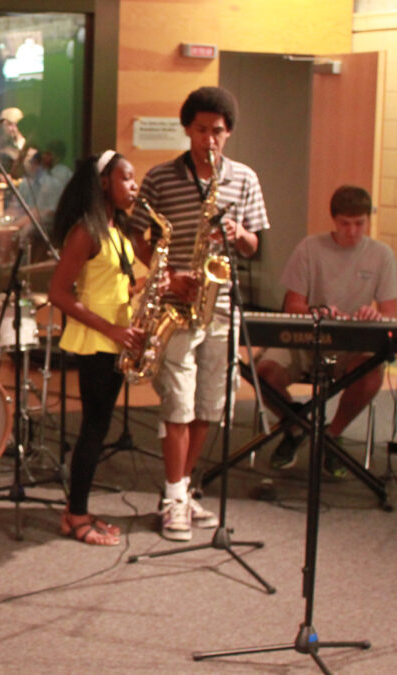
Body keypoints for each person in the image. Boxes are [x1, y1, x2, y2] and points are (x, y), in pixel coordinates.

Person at [128, 86, 269, 542]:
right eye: (203, 130)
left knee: (208, 407)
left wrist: (238, 232)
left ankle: (183, 491)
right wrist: (167, 276)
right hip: (176, 303)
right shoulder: (160, 177)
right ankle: (173, 498)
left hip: (222, 306)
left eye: (219, 132)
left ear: (229, 133)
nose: (210, 140)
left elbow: (254, 246)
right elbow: (137, 238)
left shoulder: (244, 178)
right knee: (178, 405)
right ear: (187, 128)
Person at [260, 186, 397, 476]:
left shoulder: (382, 255)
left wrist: (374, 315)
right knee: (264, 372)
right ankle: (296, 427)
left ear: (368, 220)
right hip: (306, 338)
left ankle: (332, 435)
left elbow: (391, 313)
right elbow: (293, 306)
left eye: (359, 223)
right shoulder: (310, 248)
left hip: (352, 343)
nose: (352, 231)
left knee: (371, 373)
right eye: (345, 224)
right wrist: (319, 312)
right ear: (334, 221)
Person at [48, 150, 147, 545]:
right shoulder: (85, 231)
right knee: (92, 429)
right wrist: (112, 329)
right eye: (126, 178)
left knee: (98, 427)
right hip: (97, 340)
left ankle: (79, 509)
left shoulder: (117, 231)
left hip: (117, 338)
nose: (134, 186)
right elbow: (58, 292)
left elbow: (120, 285)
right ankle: (76, 516)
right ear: (104, 182)